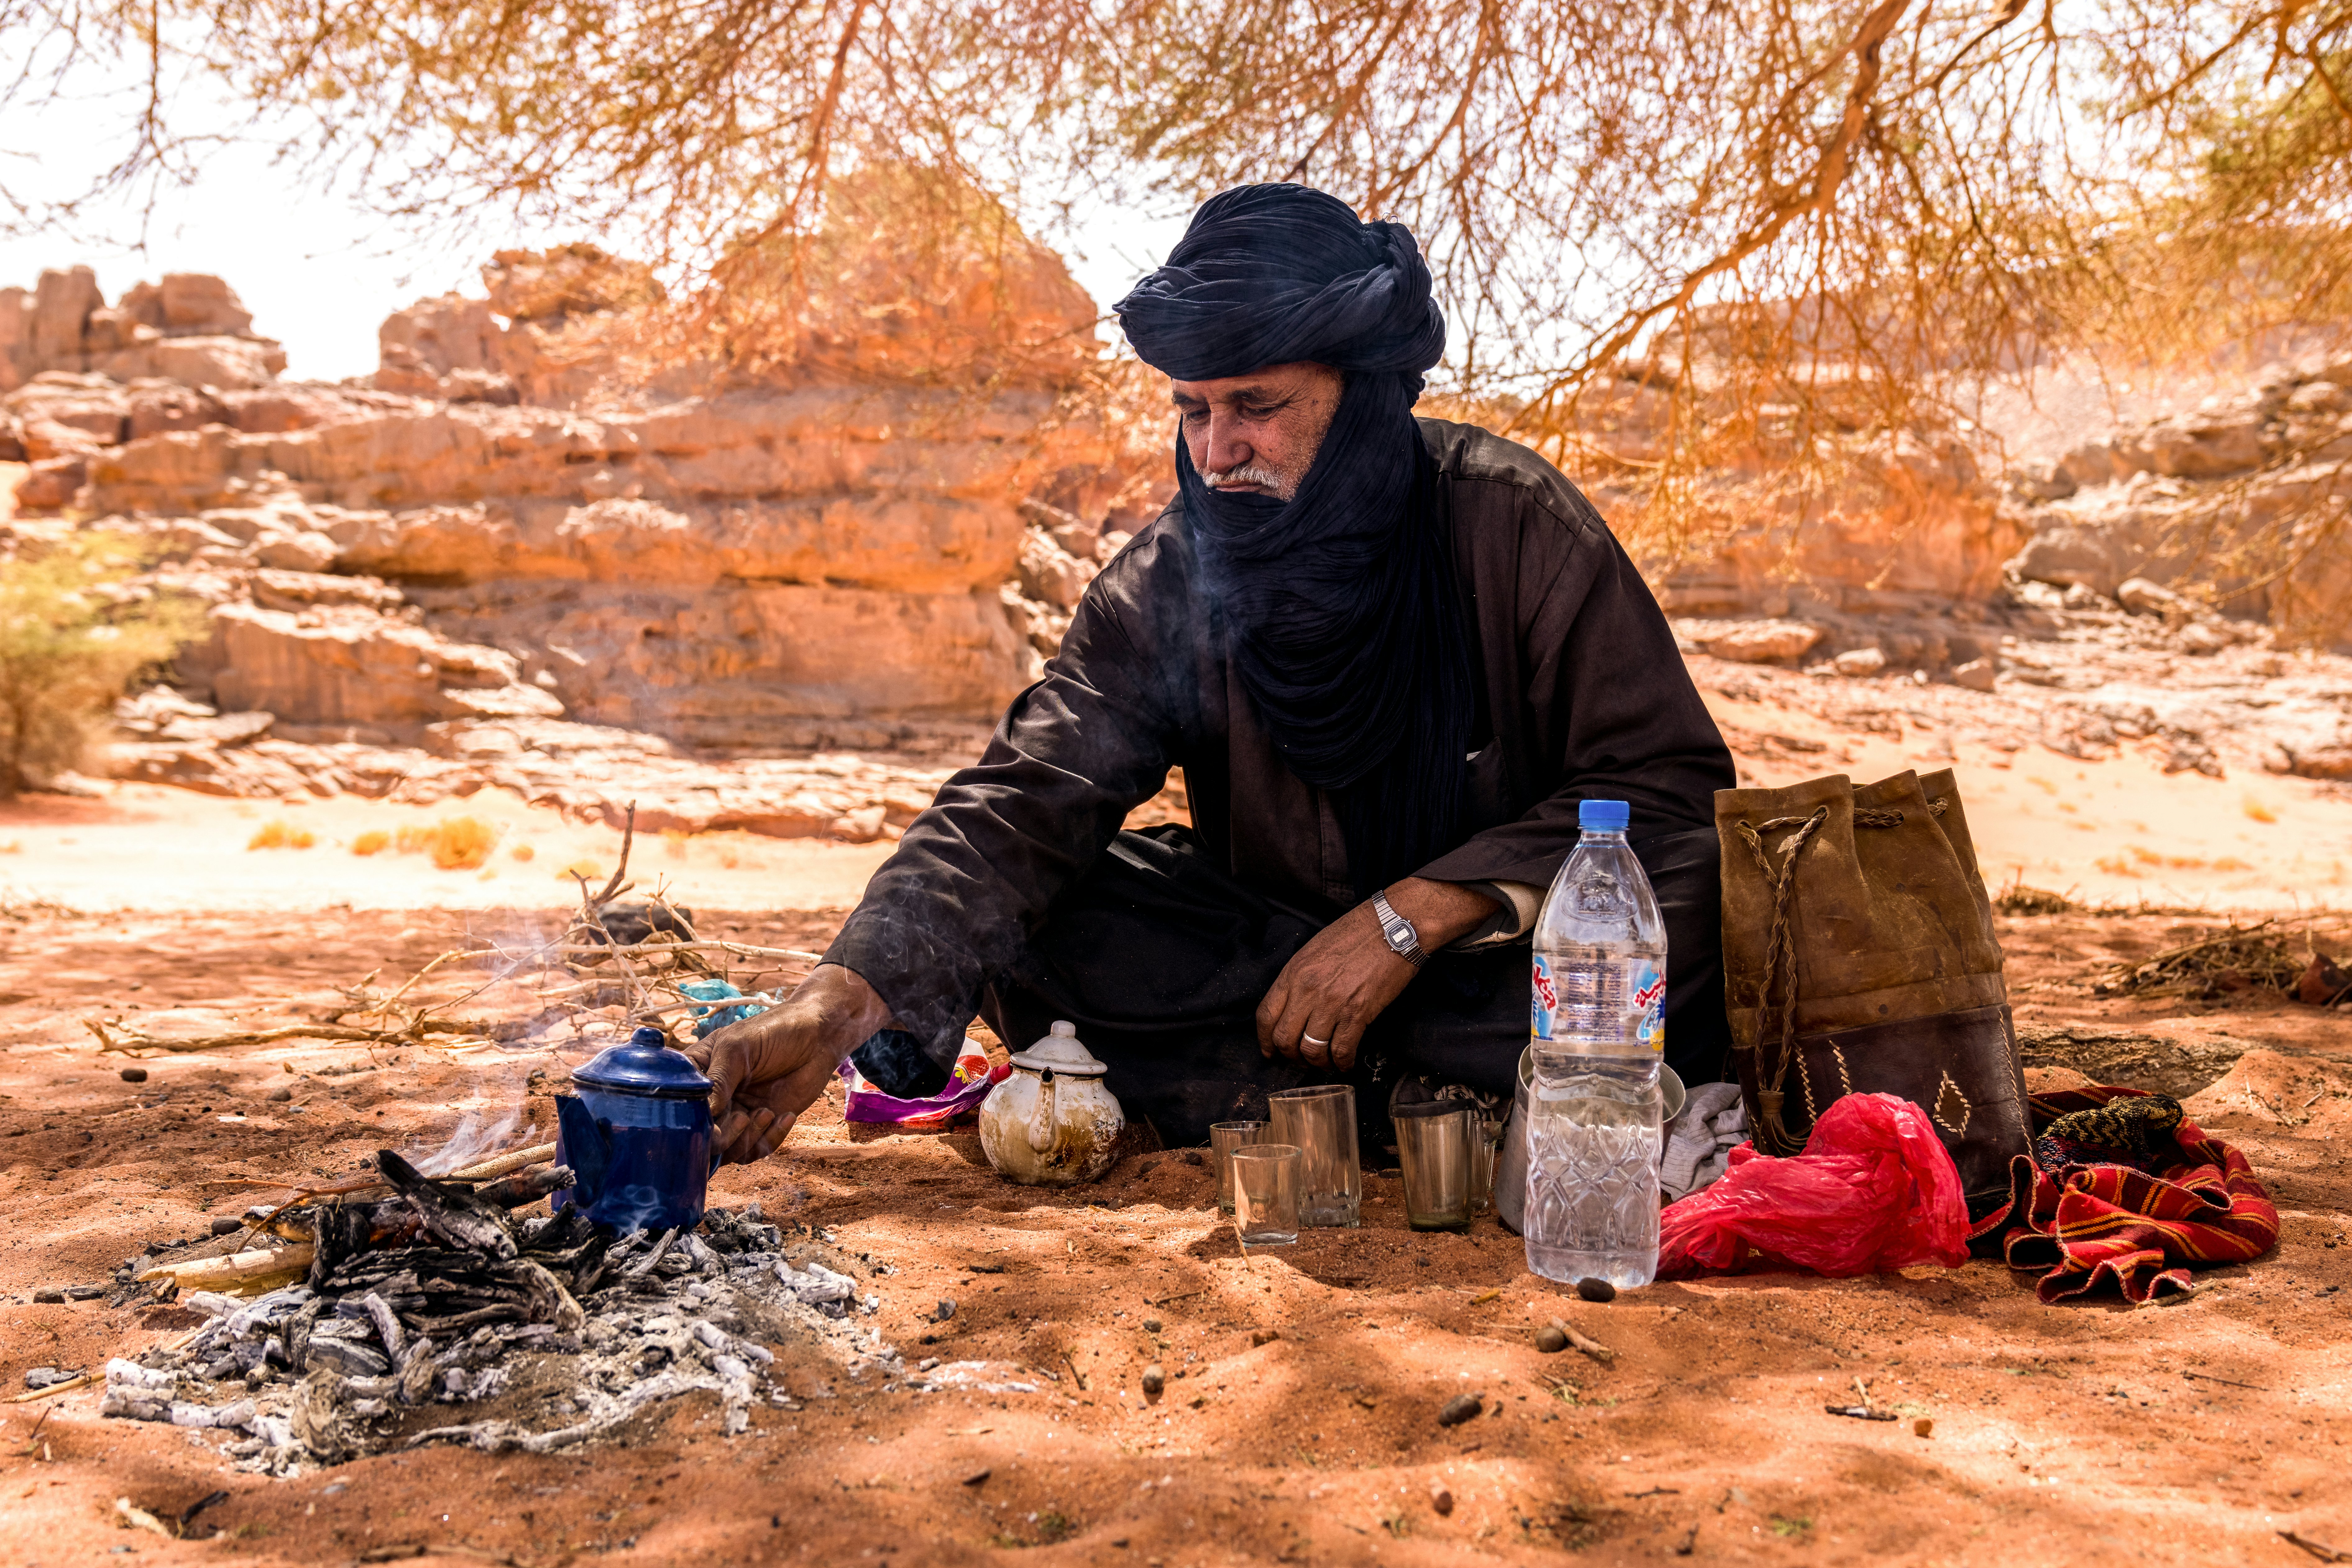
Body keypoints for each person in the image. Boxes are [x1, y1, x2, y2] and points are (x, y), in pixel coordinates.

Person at [689, 183, 1735, 1163]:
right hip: (1274, 969)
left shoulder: (1511, 524)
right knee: (1037, 919)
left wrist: (1415, 915)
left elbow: (1666, 788)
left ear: (1361, 394)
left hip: (1498, 965)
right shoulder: (1171, 573)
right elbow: (1024, 800)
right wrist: (831, 1008)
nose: (1218, 450)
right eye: (1192, 412)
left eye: (1255, 405)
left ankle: (1327, 1089)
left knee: (1699, 896)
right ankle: (1433, 1098)